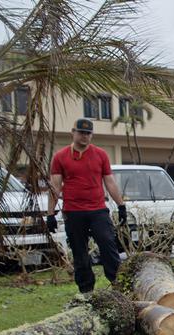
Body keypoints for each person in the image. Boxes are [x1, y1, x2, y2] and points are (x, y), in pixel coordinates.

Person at [47, 118, 127, 295]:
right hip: (73, 212)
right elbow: (55, 186)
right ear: (73, 132)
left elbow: (110, 182)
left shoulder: (100, 155)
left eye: (88, 133)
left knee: (108, 245)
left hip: (97, 210)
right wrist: (50, 214)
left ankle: (118, 286)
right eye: (81, 132)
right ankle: (86, 291)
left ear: (92, 135)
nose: (84, 136)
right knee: (80, 252)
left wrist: (121, 206)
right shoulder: (60, 157)